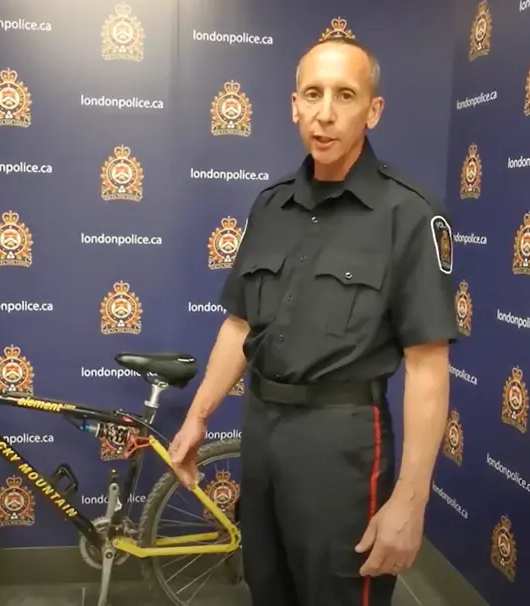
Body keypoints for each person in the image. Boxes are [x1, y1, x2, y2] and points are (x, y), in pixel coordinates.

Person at [168, 35, 457, 606]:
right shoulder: (270, 206)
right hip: (263, 432)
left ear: (372, 110)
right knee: (269, 589)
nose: (325, 113)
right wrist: (198, 417)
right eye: (313, 94)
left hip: (343, 443)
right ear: (293, 104)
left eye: (345, 95)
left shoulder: (409, 213)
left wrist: (411, 500)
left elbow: (427, 367)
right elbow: (240, 326)